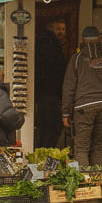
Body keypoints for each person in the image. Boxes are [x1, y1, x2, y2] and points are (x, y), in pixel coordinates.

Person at [61, 26, 102, 168]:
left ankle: (84, 184)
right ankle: (96, 182)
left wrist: (66, 112)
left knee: (81, 147)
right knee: (99, 147)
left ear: (82, 40)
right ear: (99, 39)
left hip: (83, 108)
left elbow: (69, 87)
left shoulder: (76, 59)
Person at [34, 18, 68, 148]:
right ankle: (45, 156)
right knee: (52, 128)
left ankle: (42, 156)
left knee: (46, 128)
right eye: (58, 29)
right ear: (51, 29)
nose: (61, 32)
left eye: (63, 29)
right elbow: (56, 69)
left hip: (45, 94)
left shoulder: (51, 44)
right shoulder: (49, 45)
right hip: (50, 94)